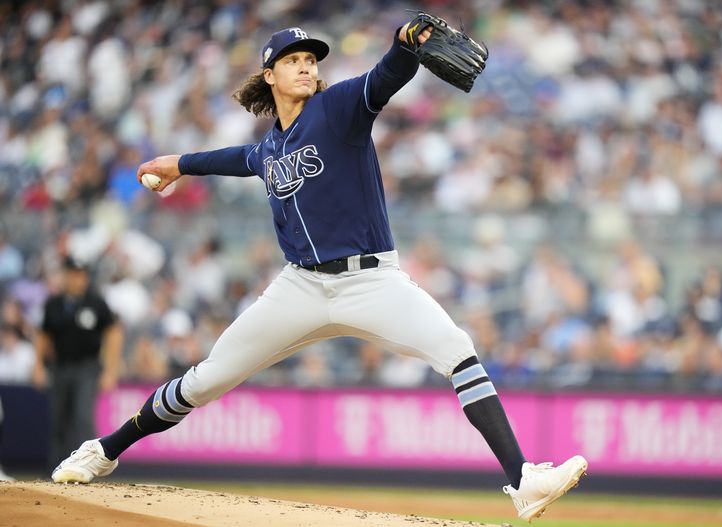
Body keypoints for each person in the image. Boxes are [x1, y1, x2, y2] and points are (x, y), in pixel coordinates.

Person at [50, 22, 587, 521]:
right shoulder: (271, 147)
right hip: (300, 286)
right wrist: (180, 163)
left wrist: (404, 45)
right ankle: (103, 451)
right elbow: (239, 157)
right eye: (294, 59)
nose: (306, 66)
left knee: (456, 348)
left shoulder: (339, 108)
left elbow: (384, 77)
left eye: (311, 58)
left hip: (371, 281)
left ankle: (523, 480)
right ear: (270, 75)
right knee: (208, 378)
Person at [33, 256, 123, 468]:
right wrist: (37, 365)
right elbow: (43, 335)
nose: (77, 280)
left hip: (87, 368)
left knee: (82, 417)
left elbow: (114, 333)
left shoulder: (96, 303)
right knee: (59, 419)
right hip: (60, 367)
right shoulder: (53, 304)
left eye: (81, 275)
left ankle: (87, 467)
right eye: (73, 275)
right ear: (65, 276)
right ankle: (58, 468)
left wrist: (111, 369)